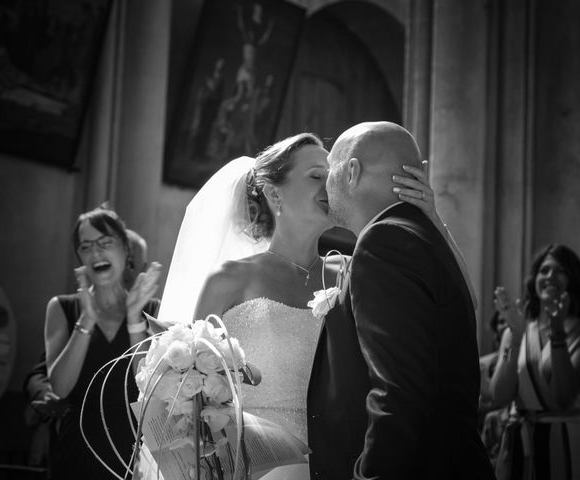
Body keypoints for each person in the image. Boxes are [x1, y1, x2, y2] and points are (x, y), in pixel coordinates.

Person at [150, 131, 446, 479]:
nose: (329, 185)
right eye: (316, 176)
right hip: (249, 468)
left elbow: (450, 305)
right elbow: (188, 394)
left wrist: (433, 220)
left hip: (342, 466)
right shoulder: (228, 281)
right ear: (275, 192)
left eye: (332, 174)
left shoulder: (354, 271)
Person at [313, 121, 495, 479]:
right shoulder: (419, 236)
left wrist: (372, 474)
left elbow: (399, 391)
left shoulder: (384, 244)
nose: (324, 185)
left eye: (329, 170)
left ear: (351, 171)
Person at [44, 206, 161, 479]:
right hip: (76, 451)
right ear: (81, 258)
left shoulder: (152, 310)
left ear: (125, 250)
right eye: (86, 247)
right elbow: (60, 388)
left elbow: (150, 388)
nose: (96, 252)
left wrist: (134, 320)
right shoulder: (62, 308)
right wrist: (87, 319)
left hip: (132, 451)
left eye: (105, 242)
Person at [490, 244, 580, 480]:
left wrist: (557, 331)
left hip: (565, 443)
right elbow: (499, 396)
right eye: (544, 270)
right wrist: (517, 338)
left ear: (572, 278)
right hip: (520, 444)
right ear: (534, 279)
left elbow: (563, 398)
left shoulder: (577, 331)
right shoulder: (518, 329)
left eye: (560, 270)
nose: (550, 276)